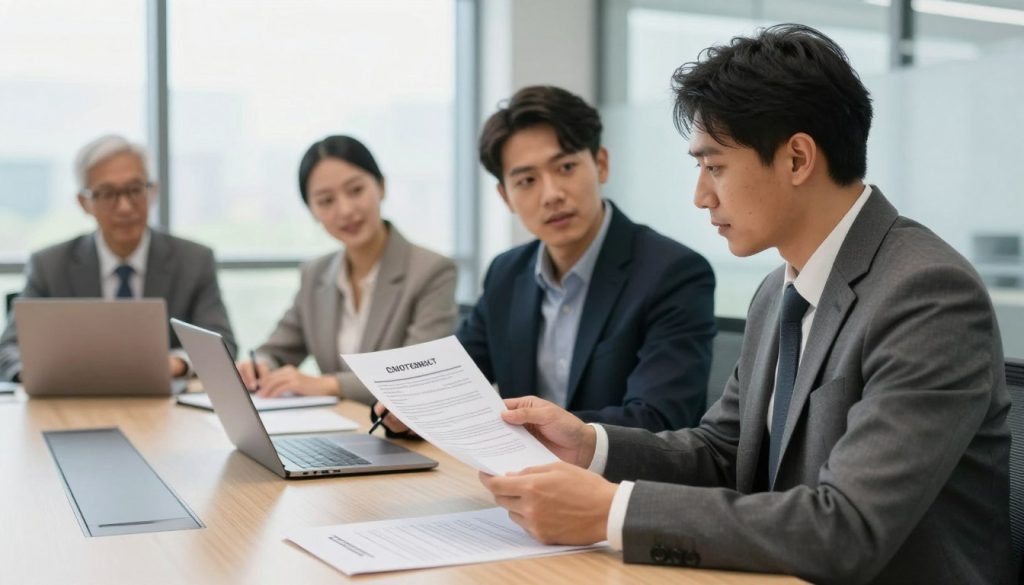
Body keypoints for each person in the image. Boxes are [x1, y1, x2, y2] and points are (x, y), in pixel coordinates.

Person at [477, 25, 1012, 585]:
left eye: (715, 167)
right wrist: (591, 446)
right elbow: (724, 454)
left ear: (798, 158)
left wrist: (611, 512)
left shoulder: (927, 294)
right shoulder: (778, 290)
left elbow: (847, 528)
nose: (701, 196)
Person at [375, 85, 716, 434]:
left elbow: (659, 421)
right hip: (520, 479)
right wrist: (411, 409)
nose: (552, 194)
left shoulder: (673, 273)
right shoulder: (506, 274)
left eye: (566, 167)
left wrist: (535, 431)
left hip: (617, 483)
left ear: (600, 165)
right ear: (506, 196)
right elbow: (456, 381)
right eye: (526, 181)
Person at [237, 135, 457, 404]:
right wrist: (259, 364)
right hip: (340, 428)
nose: (345, 210)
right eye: (326, 201)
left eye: (355, 190)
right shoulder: (315, 274)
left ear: (381, 187)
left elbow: (418, 375)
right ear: (312, 212)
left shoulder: (432, 271)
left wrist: (327, 384)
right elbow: (277, 350)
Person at [0, 135, 237, 382]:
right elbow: (8, 349)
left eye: (135, 190)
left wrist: (177, 364)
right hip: (73, 402)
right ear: (85, 203)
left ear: (152, 192)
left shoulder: (194, 261)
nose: (124, 206)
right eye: (107, 193)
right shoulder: (49, 266)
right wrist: (39, 374)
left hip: (165, 406)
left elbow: (223, 344)